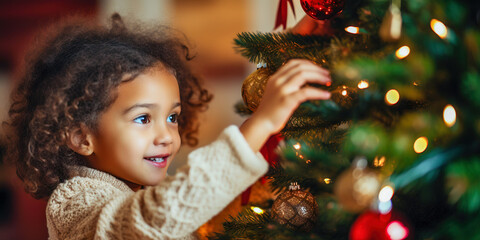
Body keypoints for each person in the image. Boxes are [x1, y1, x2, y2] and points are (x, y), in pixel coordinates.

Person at [3, 13, 331, 239]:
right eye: (143, 118)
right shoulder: (74, 202)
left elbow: (206, 208)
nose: (166, 136)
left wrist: (288, 55)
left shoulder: (146, 189)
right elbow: (158, 217)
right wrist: (261, 123)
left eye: (172, 117)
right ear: (80, 136)